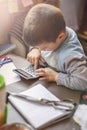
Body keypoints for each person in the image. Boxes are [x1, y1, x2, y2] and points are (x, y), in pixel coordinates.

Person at [23, 4, 87, 91]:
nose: (41, 50)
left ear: (60, 37)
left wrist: (56, 77)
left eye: (44, 48)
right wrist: (34, 49)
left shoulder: (70, 56)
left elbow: (83, 82)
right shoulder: (53, 33)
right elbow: (38, 42)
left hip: (67, 92)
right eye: (38, 46)